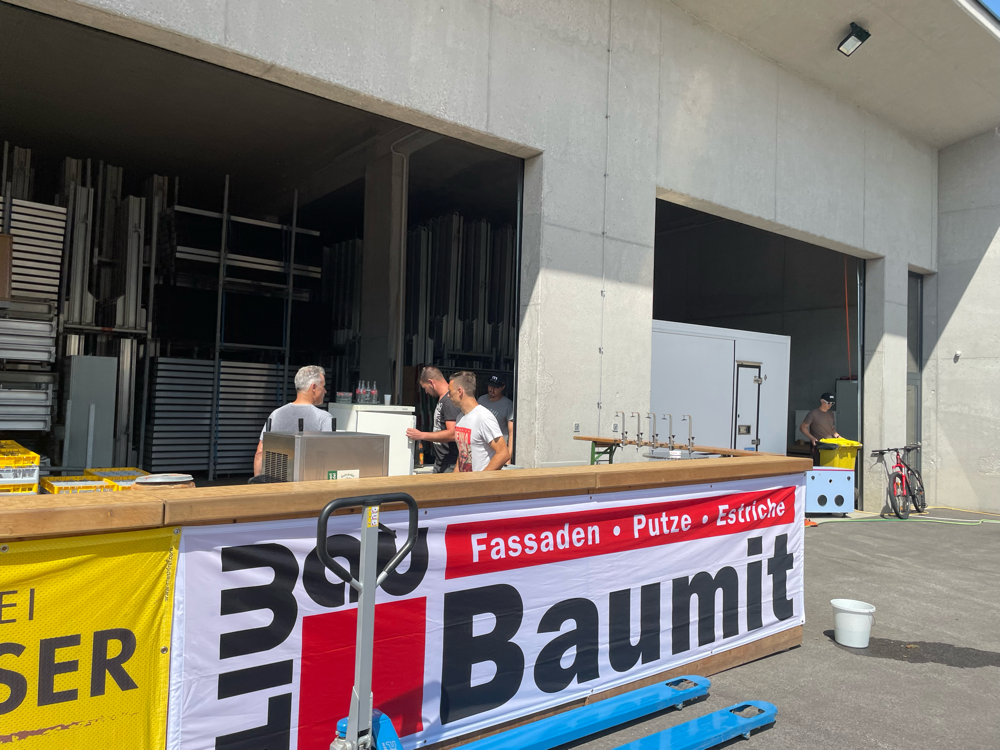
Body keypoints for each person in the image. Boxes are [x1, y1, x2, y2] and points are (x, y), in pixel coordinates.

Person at [253, 365, 333, 475]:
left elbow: (260, 453)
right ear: (313, 387)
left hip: (277, 479)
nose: (325, 391)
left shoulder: (276, 414)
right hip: (309, 480)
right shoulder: (323, 418)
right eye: (323, 386)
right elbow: (329, 454)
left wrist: (258, 482)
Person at [449, 370, 509, 471]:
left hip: (480, 481)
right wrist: (455, 478)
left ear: (460, 391)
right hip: (465, 480)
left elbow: (503, 453)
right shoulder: (460, 417)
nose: (448, 395)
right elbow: (462, 454)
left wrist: (481, 478)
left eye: (450, 391)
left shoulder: (484, 418)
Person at [405, 366, 460, 473]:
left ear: (431, 382)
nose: (426, 392)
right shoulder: (443, 399)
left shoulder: (449, 401)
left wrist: (421, 435)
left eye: (425, 387)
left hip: (449, 464)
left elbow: (453, 434)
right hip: (441, 462)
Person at [477, 374, 514, 463]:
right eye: (490, 386)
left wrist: (508, 457)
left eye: (495, 387)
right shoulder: (481, 400)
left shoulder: (508, 405)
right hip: (482, 449)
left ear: (502, 387)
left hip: (499, 450)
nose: (491, 390)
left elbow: (512, 433)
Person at [800, 392, 841, 466]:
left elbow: (832, 430)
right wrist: (812, 438)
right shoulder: (813, 413)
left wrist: (838, 437)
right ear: (822, 401)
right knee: (818, 466)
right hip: (818, 445)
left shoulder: (831, 414)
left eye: (832, 403)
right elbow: (803, 427)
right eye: (828, 403)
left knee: (830, 467)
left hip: (830, 446)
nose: (830, 405)